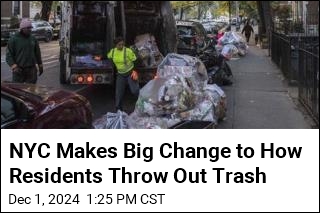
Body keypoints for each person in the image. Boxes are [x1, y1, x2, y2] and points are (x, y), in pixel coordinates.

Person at [6, 18, 43, 84]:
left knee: (31, 91)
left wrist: (40, 65)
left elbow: (37, 53)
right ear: (22, 28)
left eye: (30, 28)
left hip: (31, 70)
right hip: (19, 70)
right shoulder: (14, 39)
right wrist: (14, 67)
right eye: (28, 28)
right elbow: (9, 55)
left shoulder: (33, 38)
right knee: (17, 91)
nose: (30, 30)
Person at [107, 37, 139, 111]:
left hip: (130, 73)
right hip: (121, 74)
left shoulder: (128, 51)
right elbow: (108, 56)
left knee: (135, 90)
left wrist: (135, 71)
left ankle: (141, 103)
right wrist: (99, 58)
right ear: (115, 45)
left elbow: (135, 60)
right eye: (119, 45)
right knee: (119, 93)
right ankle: (119, 109)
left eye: (122, 44)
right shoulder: (113, 52)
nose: (121, 46)